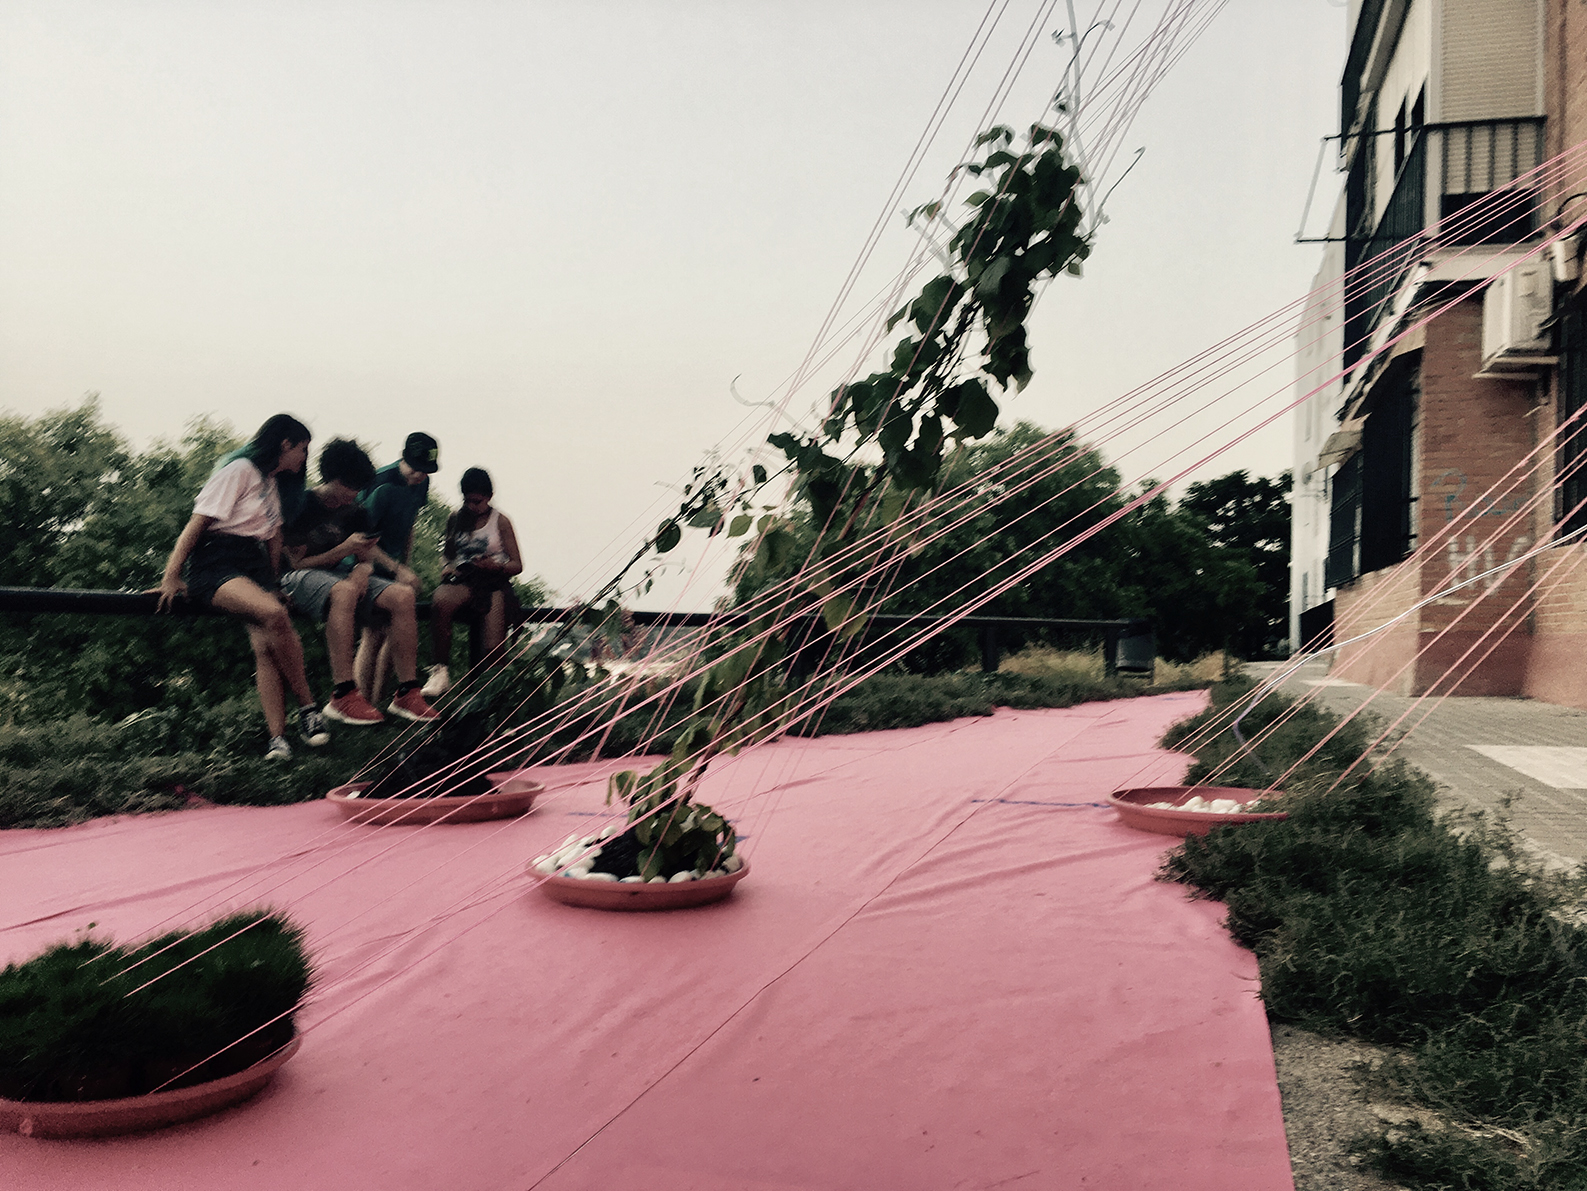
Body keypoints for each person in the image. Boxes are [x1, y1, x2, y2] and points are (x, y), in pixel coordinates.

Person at [157, 414, 330, 761]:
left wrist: (273, 581)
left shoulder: (270, 481)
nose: (305, 458)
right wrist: (171, 575)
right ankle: (309, 708)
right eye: (302, 449)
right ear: (285, 444)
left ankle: (277, 740)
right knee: (274, 614)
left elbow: (273, 536)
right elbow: (197, 524)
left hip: (253, 564)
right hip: (217, 561)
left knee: (266, 645)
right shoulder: (238, 470)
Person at [279, 439, 440, 726]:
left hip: (338, 574)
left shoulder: (356, 510)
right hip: (298, 576)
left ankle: (407, 692)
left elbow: (365, 556)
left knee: (403, 596)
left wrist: (362, 571)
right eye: (350, 488)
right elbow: (296, 564)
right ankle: (343, 693)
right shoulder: (302, 505)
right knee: (344, 591)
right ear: (333, 479)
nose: (353, 497)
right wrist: (344, 550)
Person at [423, 467, 523, 698]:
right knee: (440, 601)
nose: (472, 506)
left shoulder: (501, 521)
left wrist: (496, 566)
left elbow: (517, 564)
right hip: (464, 578)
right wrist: (447, 568)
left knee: (493, 647)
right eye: (467, 501)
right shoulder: (455, 519)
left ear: (488, 497)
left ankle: (494, 695)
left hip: (493, 582)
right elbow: (448, 554)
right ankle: (440, 670)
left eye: (477, 502)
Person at [354, 432, 436, 702]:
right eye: (415, 468)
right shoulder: (381, 484)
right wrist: (397, 570)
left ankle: (379, 701)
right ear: (403, 457)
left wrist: (404, 566)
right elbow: (361, 541)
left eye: (425, 470)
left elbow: (409, 525)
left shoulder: (422, 484)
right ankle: (360, 703)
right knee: (373, 633)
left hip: (392, 564)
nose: (419, 475)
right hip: (364, 563)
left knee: (398, 629)